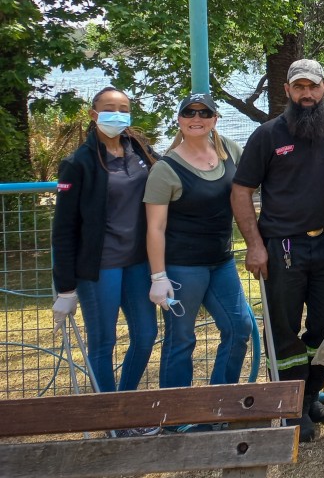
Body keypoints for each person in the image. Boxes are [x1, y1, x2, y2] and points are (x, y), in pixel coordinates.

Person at [231, 60, 324, 442]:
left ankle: (309, 396)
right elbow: (241, 192)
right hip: (282, 246)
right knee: (284, 330)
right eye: (299, 87)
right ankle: (292, 407)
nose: (307, 94)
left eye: (314, 86)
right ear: (287, 91)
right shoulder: (267, 135)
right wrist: (254, 246)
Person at [51, 86, 159, 413]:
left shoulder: (140, 149)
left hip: (139, 263)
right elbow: (63, 228)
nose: (118, 114)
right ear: (93, 114)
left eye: (124, 108)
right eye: (110, 108)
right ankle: (108, 415)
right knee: (103, 342)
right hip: (100, 268)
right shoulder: (77, 163)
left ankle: (123, 404)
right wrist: (66, 288)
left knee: (146, 334)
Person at [144, 93, 254, 395]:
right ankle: (176, 413)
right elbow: (155, 227)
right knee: (181, 338)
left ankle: (218, 403)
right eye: (189, 113)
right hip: (183, 268)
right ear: (179, 120)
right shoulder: (165, 169)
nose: (197, 119)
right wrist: (158, 276)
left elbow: (254, 185)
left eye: (204, 113)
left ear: (215, 119)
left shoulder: (230, 151)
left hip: (222, 262)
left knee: (239, 328)